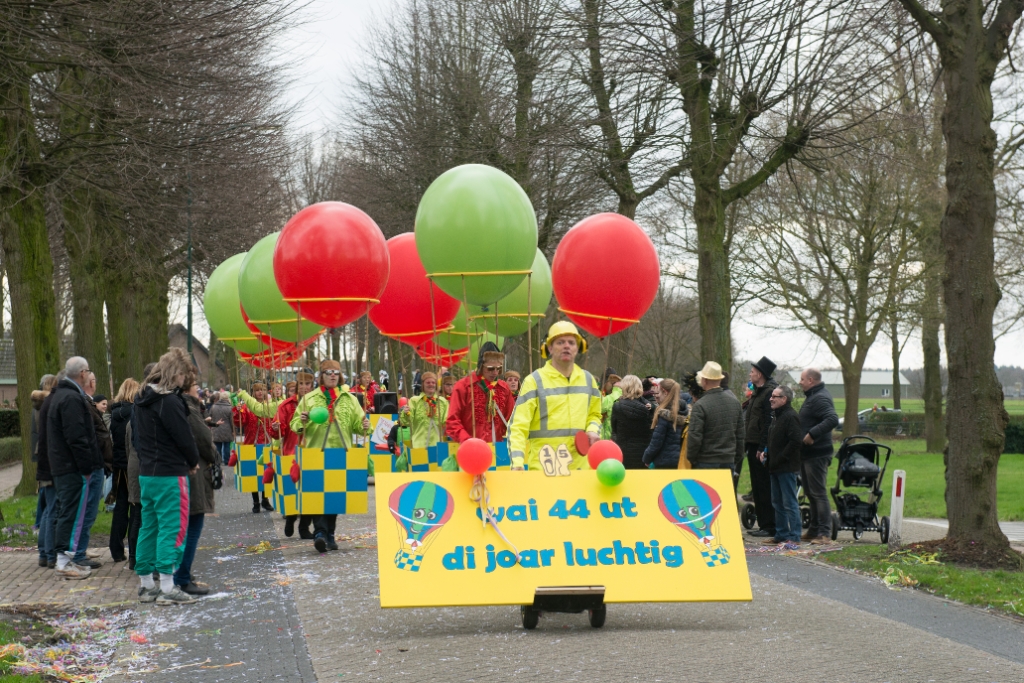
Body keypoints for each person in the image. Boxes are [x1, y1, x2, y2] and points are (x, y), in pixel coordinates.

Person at [133, 348, 201, 605]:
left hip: (147, 473)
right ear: (177, 372)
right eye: (184, 374)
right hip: (170, 474)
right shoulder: (170, 402)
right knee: (173, 528)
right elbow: (184, 437)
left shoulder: (142, 399)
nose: (185, 380)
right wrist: (192, 461)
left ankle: (147, 585)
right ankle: (168, 586)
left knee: (148, 527)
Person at [291, 359, 370, 554]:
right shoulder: (309, 398)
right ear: (321, 376)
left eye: (336, 372)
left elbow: (358, 426)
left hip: (340, 453)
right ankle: (319, 533)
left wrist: (366, 426)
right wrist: (301, 420)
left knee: (334, 495)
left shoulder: (350, 398)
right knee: (318, 494)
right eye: (328, 372)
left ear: (340, 376)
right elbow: (294, 425)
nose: (333, 375)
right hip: (315, 453)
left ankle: (330, 535)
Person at [508, 321, 601, 471]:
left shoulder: (589, 380)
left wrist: (592, 429)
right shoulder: (534, 381)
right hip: (544, 469)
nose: (566, 346)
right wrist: (517, 463)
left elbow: (595, 415)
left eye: (571, 342)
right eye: (560, 342)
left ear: (577, 348)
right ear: (550, 348)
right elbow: (518, 427)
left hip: (581, 470)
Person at [47, 357, 104, 580]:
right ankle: (64, 560)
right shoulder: (71, 398)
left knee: (68, 511)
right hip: (72, 469)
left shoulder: (61, 395)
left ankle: (66, 558)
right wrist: (86, 467)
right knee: (73, 513)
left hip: (64, 466)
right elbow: (76, 437)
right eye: (88, 371)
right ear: (82, 373)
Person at [176, 382, 219, 595]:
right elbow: (203, 440)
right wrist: (215, 457)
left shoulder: (181, 407)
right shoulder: (189, 409)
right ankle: (182, 575)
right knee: (193, 524)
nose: (198, 388)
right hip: (194, 472)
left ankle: (181, 572)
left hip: (182, 470)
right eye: (194, 384)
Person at [75, 372, 112, 569]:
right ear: (91, 383)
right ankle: (79, 551)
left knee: (89, 508)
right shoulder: (85, 404)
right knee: (87, 509)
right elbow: (95, 435)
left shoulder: (87, 403)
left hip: (97, 462)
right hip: (93, 463)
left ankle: (81, 548)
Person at [798, 368, 839, 544]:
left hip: (817, 454)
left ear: (811, 380)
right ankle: (814, 530)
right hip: (808, 454)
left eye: (802, 379)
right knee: (810, 492)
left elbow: (832, 419)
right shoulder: (813, 397)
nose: (800, 382)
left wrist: (812, 434)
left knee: (818, 492)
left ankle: (824, 533)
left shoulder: (820, 397)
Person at [446, 342, 515, 443]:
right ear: (481, 365)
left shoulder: (504, 388)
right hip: (471, 450)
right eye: (491, 368)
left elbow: (513, 419)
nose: (495, 372)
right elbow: (452, 421)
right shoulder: (463, 387)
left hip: (499, 450)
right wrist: (467, 441)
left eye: (498, 369)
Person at [743, 357, 778, 539]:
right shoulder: (759, 391)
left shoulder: (768, 393)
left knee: (764, 486)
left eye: (752, 371)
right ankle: (763, 523)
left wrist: (763, 447)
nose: (750, 374)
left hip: (760, 446)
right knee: (757, 486)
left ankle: (769, 525)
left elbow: (767, 424)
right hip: (753, 443)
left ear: (760, 374)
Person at [686, 361, 744, 470]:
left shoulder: (700, 405)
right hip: (728, 461)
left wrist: (692, 459)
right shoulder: (735, 403)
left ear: (704, 380)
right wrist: (735, 458)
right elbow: (740, 436)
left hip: (705, 462)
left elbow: (694, 437)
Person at [277, 373, 315, 539]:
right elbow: (280, 430)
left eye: (308, 383)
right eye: (301, 383)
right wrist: (275, 427)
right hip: (292, 453)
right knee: (293, 492)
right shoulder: (286, 406)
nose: (304, 387)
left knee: (311, 492)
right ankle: (291, 518)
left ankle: (304, 527)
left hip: (312, 452)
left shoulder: (318, 403)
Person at [764, 385, 803, 545]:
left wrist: (781, 457)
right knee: (777, 502)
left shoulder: (790, 416)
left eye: (775, 396)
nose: (771, 399)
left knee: (789, 502)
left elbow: (795, 441)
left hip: (786, 467)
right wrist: (766, 451)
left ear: (784, 399)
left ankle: (794, 536)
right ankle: (781, 534)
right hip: (774, 466)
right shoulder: (776, 416)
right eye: (771, 396)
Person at [108, 378, 140, 563]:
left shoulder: (114, 413)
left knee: (120, 507)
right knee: (135, 506)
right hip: (130, 464)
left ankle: (116, 549)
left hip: (118, 465)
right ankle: (134, 550)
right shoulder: (132, 412)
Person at [234, 382, 276, 513]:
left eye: (263, 390)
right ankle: (256, 501)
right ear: (253, 392)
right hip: (252, 442)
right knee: (253, 473)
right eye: (257, 390)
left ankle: (265, 499)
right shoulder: (247, 406)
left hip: (266, 442)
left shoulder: (269, 406)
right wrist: (238, 411)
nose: (260, 392)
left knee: (265, 472)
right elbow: (241, 422)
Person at [32, 374, 58, 568]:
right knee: (51, 509)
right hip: (50, 462)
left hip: (41, 462)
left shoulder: (37, 407)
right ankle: (50, 553)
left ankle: (43, 551)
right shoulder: (50, 407)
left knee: (45, 508)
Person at [611, 375, 653, 469]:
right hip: (642, 451)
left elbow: (614, 429)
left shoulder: (617, 406)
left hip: (623, 449)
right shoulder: (646, 408)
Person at [643, 378, 686, 469]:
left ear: (665, 393)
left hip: (664, 461)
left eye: (658, 393)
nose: (656, 396)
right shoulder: (683, 412)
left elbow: (656, 443)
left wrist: (646, 458)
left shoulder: (664, 416)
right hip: (680, 460)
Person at [408, 371, 448, 448]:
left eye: (433, 382)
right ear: (423, 385)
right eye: (428, 382)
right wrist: (406, 413)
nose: (431, 384)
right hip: (419, 446)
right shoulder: (414, 401)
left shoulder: (443, 402)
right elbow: (408, 421)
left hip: (437, 446)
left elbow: (447, 422)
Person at [209, 391, 234, 465]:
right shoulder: (229, 408)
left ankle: (218, 461)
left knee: (217, 446)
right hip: (227, 429)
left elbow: (210, 416)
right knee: (226, 445)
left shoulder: (213, 406)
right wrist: (233, 430)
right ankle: (226, 460)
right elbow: (232, 421)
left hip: (216, 428)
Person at [600, 370, 623, 440]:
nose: (614, 385)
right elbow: (601, 406)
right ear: (605, 382)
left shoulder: (620, 396)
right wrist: (616, 392)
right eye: (612, 383)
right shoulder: (599, 393)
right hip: (599, 437)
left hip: (612, 438)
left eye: (616, 383)